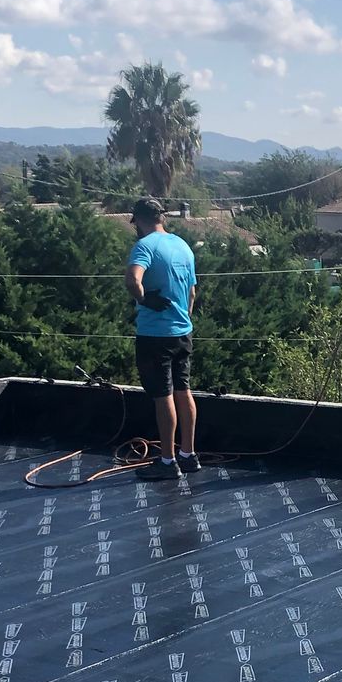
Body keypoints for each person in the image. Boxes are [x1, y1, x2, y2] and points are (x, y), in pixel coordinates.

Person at [126, 196, 200, 475]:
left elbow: (133, 280)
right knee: (183, 390)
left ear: (139, 220)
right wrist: (184, 319)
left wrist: (144, 301)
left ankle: (167, 462)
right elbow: (192, 292)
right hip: (182, 332)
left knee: (162, 395)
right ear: (162, 217)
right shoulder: (182, 245)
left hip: (155, 335)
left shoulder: (144, 246)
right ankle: (188, 455)